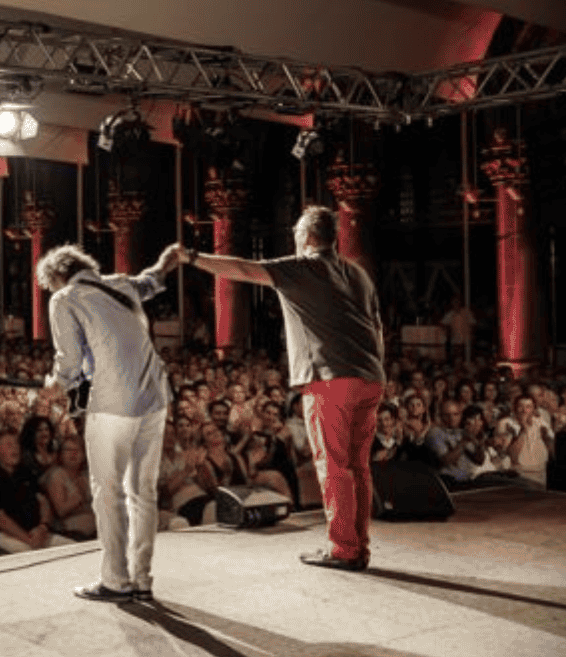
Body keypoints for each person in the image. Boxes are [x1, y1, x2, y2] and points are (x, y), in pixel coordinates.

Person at [181, 205, 385, 571]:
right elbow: (377, 326)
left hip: (330, 379)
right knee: (358, 467)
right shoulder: (358, 274)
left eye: (296, 234)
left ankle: (344, 549)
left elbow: (243, 269)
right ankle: (359, 546)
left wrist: (193, 257)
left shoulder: (302, 267)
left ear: (307, 237)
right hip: (370, 377)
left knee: (333, 465)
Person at [36, 242, 179, 602]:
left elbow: (69, 363)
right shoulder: (120, 284)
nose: (52, 291)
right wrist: (167, 259)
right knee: (143, 492)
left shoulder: (65, 298)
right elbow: (152, 280)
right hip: (155, 398)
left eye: (50, 285)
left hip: (113, 402)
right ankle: (142, 579)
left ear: (57, 275)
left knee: (108, 491)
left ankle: (116, 579)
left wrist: (54, 386)